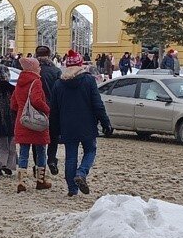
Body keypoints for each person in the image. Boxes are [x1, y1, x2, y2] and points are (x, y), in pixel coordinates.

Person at [51, 51, 112, 196]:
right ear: (80, 65)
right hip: (87, 124)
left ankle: (72, 189)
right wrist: (105, 123)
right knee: (90, 150)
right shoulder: (89, 81)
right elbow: (97, 104)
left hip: (67, 126)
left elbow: (54, 111)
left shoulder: (58, 84)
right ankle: (82, 172)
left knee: (71, 156)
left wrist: (54, 130)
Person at [11, 56, 51, 192]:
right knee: (41, 152)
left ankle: (21, 182)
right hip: (36, 121)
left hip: (22, 120)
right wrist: (47, 109)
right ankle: (40, 181)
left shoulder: (19, 82)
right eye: (38, 66)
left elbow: (13, 104)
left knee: (23, 152)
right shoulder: (36, 82)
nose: (40, 68)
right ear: (33, 68)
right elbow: (36, 100)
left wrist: (23, 109)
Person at [35, 45, 62, 175]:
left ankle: (37, 164)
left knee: (37, 137)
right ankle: (51, 159)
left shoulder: (34, 71)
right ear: (49, 56)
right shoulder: (56, 71)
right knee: (53, 136)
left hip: (36, 108)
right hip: (53, 109)